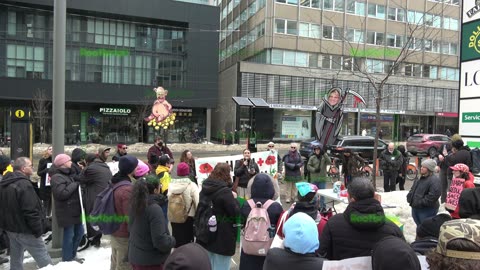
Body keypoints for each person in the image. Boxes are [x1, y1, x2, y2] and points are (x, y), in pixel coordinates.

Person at [319, 177, 404, 260]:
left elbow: (322, 256)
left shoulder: (333, 224)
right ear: (375, 196)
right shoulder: (393, 229)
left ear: (351, 199)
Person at [0, 157, 52, 269]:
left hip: (11, 228)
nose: (33, 167)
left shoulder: (4, 182)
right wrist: (38, 230)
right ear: (23, 169)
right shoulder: (24, 185)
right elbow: (30, 210)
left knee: (16, 258)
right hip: (26, 230)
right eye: (30, 165)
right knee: (43, 258)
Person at [196, 163, 240, 270]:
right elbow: (235, 212)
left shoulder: (205, 187)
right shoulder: (225, 192)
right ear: (227, 174)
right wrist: (235, 199)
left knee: (209, 265)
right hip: (222, 236)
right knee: (221, 266)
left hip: (206, 233)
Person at [128, 175, 176, 270]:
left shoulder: (135, 203)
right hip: (151, 262)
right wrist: (172, 240)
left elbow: (130, 228)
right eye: (160, 186)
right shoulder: (154, 209)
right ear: (155, 190)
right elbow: (160, 241)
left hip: (136, 256)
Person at [239, 173, 283, 270]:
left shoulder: (246, 204)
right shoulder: (276, 206)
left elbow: (242, 224)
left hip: (248, 249)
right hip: (268, 249)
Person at [50, 154, 84, 263]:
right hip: (66, 212)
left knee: (79, 233)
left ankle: (73, 255)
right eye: (69, 160)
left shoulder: (69, 174)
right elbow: (61, 194)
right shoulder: (56, 177)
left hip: (75, 210)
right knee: (69, 236)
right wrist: (74, 184)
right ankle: (67, 258)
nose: (71, 162)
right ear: (63, 163)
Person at [275, 182, 327, 249]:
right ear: (317, 200)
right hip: (313, 258)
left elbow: (279, 238)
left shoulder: (285, 217)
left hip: (287, 256)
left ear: (298, 198)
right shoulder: (323, 224)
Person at [77, 150, 113, 248]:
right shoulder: (103, 165)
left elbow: (81, 178)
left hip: (96, 195)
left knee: (92, 215)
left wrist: (84, 168)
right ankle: (97, 236)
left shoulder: (90, 168)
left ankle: (94, 239)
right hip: (106, 194)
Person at [111, 155, 138, 270]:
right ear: (131, 169)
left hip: (115, 229)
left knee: (115, 260)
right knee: (124, 264)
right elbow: (130, 216)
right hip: (124, 234)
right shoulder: (127, 190)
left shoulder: (115, 181)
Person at [168, 162, 199, 247]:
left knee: (176, 240)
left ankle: (176, 257)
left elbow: (168, 198)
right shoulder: (192, 185)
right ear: (187, 172)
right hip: (188, 217)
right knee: (187, 241)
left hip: (174, 216)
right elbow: (197, 201)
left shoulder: (171, 185)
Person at [407, 159, 442, 227]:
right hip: (416, 207)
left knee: (425, 228)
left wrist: (420, 203)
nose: (421, 168)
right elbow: (413, 189)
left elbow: (433, 196)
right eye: (421, 166)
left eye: (424, 167)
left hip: (427, 209)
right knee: (419, 227)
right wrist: (409, 197)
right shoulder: (420, 178)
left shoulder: (434, 180)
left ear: (429, 169)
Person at [37, 145, 53, 217]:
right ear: (47, 151)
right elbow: (39, 173)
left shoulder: (56, 159)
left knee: (52, 204)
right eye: (50, 149)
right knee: (45, 205)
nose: (51, 150)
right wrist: (46, 170)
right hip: (45, 186)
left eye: (53, 149)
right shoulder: (43, 160)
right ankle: (44, 219)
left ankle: (48, 217)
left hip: (53, 185)